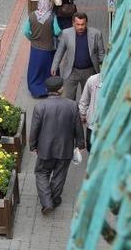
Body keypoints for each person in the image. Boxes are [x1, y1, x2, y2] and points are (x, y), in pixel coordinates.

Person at [29, 76, 85, 214]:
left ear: (47, 89)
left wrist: (33, 145)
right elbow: (78, 126)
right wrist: (80, 144)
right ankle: (53, 199)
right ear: (61, 89)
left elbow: (34, 129)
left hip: (45, 149)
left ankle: (47, 202)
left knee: (41, 173)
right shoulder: (72, 105)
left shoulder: (40, 107)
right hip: (65, 147)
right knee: (60, 174)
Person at [51, 13, 105, 101]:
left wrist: (104, 70)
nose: (80, 27)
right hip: (71, 71)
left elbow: (101, 54)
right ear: (73, 23)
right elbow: (60, 51)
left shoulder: (96, 34)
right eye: (78, 24)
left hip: (90, 71)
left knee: (88, 99)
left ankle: (84, 110)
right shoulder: (66, 33)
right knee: (68, 98)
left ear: (86, 23)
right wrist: (54, 66)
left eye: (82, 24)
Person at [23, 0, 61, 98]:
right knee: (48, 69)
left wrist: (32, 39)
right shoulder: (52, 16)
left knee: (35, 69)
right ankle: (49, 88)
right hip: (49, 48)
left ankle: (35, 89)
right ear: (48, 4)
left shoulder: (32, 15)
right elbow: (57, 31)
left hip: (35, 48)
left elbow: (26, 31)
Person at [79, 72, 102, 151]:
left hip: (110, 126)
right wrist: (82, 114)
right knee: (90, 146)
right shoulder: (93, 80)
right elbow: (84, 100)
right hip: (93, 124)